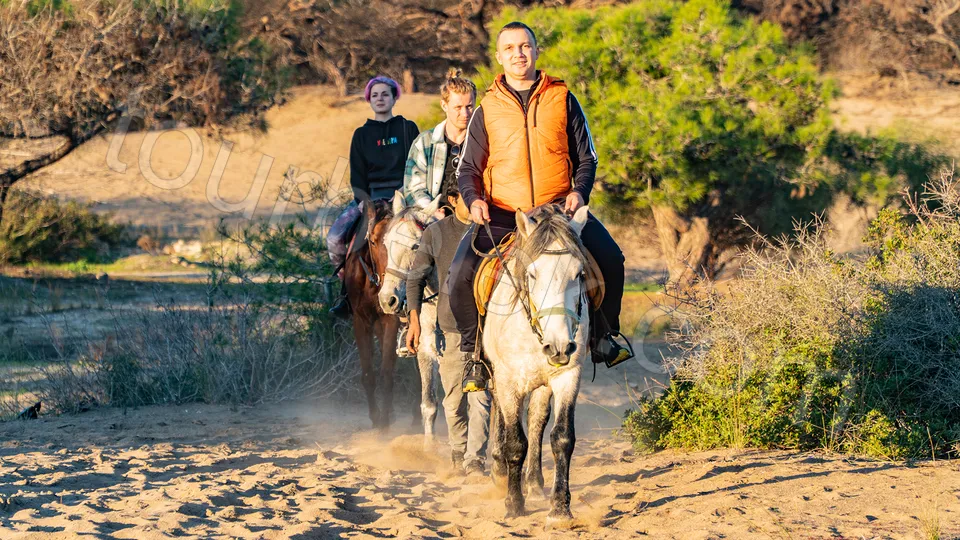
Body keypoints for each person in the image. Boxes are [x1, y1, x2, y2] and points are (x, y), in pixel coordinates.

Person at [449, 21, 632, 375]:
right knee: (458, 275)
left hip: (559, 211)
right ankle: (475, 357)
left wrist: (579, 192)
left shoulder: (563, 98)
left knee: (612, 260)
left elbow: (587, 158)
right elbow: (468, 169)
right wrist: (474, 201)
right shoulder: (486, 108)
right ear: (499, 57)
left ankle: (605, 338)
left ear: (536, 50)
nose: (518, 54)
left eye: (525, 46)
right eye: (510, 48)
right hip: (504, 213)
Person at [405, 182, 491, 475]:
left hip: (488, 329)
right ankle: (458, 450)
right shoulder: (437, 233)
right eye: (469, 197)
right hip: (451, 328)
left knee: (480, 396)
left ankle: (475, 460)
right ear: (453, 200)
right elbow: (415, 278)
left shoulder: (493, 230)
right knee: (454, 400)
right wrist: (414, 320)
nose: (477, 202)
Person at [328, 76, 419, 317]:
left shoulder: (407, 128)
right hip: (369, 198)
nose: (380, 99)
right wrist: (365, 203)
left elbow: (415, 164)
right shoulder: (361, 135)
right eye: (375, 95)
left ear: (394, 97)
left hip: (404, 197)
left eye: (385, 94)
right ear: (369, 99)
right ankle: (346, 293)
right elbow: (357, 175)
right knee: (335, 237)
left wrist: (405, 196)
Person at [403, 69, 476, 217]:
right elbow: (413, 188)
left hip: (473, 214)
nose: (465, 114)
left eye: (469, 106)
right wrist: (431, 211)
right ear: (444, 105)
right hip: (433, 217)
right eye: (458, 107)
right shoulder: (425, 142)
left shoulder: (482, 140)